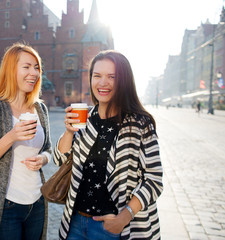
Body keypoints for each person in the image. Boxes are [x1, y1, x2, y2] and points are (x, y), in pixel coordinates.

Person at [54, 50, 163, 240]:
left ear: (124, 81)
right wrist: (69, 132)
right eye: (97, 76)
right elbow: (59, 159)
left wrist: (123, 217)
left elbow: (154, 180)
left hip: (116, 228)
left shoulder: (140, 124)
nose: (102, 83)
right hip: (76, 224)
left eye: (111, 77)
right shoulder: (86, 119)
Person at [0, 43, 52, 240]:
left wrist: (43, 159)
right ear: (11, 70)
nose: (34, 73)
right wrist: (12, 136)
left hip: (37, 201)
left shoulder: (40, 109)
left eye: (37, 67)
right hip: (5, 204)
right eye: (27, 67)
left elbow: (47, 149)